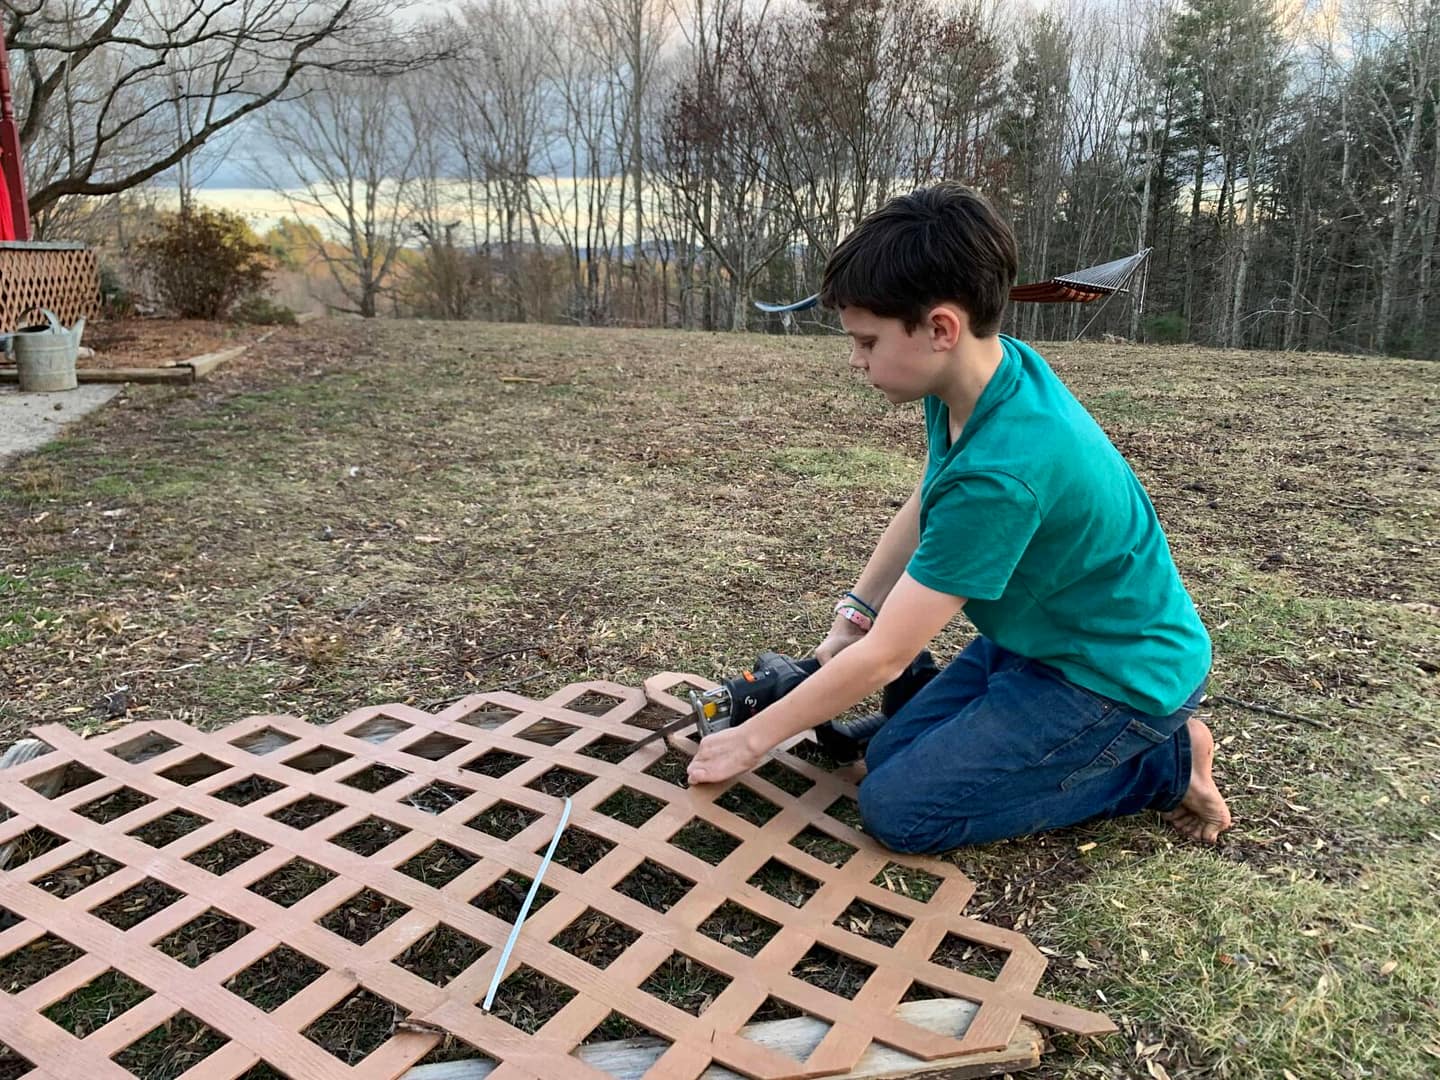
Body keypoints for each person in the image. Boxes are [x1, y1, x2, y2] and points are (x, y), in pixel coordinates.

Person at [685, 183, 1232, 851]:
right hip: (1041, 641)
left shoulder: (1005, 472)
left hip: (1116, 677)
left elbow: (888, 658)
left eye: (866, 340)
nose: (855, 360)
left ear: (941, 328)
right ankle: (1019, 720)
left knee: (901, 811)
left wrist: (751, 740)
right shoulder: (981, 377)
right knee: (885, 755)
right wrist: (853, 615)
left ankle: (1163, 764)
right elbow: (928, 498)